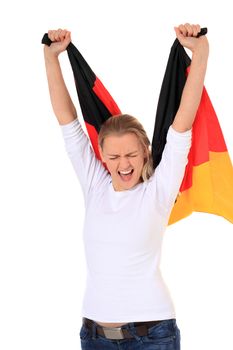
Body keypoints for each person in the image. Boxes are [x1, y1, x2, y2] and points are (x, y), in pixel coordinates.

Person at [43, 23, 209, 350]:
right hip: (94, 336)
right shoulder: (94, 184)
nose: (124, 163)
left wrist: (201, 54)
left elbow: (181, 123)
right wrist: (51, 58)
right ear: (102, 156)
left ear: (145, 152)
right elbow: (67, 121)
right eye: (115, 155)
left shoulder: (158, 190)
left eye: (132, 154)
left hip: (153, 335)